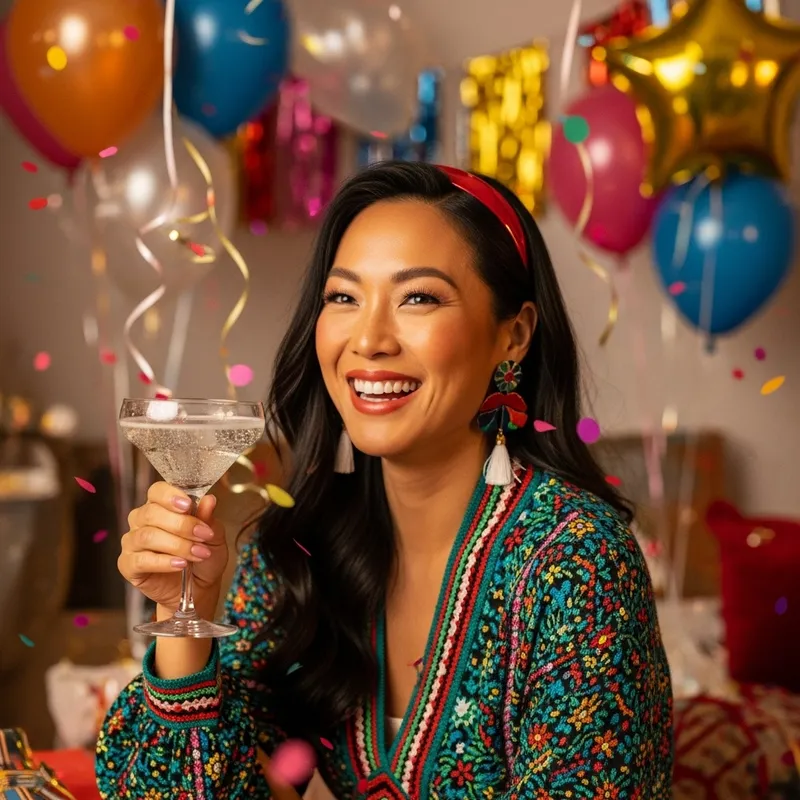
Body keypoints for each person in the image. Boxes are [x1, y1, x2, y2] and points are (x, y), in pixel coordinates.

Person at [96, 161, 673, 799]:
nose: (368, 339)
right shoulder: (297, 547)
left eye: (418, 297)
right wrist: (186, 616)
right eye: (343, 297)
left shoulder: (576, 560)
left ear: (513, 335)